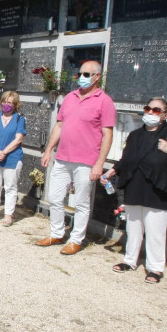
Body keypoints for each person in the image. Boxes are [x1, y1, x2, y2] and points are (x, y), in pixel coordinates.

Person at [103, 97, 167, 282]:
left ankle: (155, 268)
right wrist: (112, 172)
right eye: (148, 109)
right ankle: (129, 260)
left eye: (156, 110)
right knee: (133, 228)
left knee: (155, 231)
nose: (150, 113)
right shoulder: (135, 135)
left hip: (158, 189)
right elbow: (126, 159)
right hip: (134, 186)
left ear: (165, 115)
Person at [36, 61, 116, 255]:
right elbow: (59, 126)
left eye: (86, 74)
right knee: (54, 197)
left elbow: (107, 134)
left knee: (81, 202)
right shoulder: (70, 97)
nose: (81, 77)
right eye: (79, 73)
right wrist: (48, 150)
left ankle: (76, 239)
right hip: (63, 157)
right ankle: (56, 233)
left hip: (87, 161)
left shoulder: (104, 101)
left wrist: (100, 164)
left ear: (97, 77)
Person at [0, 90, 26, 226]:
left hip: (12, 157)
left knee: (10, 187)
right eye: (4, 102)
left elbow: (18, 138)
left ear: (15, 105)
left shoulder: (20, 119)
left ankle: (8, 214)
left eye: (10, 102)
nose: (6, 104)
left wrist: (4, 152)